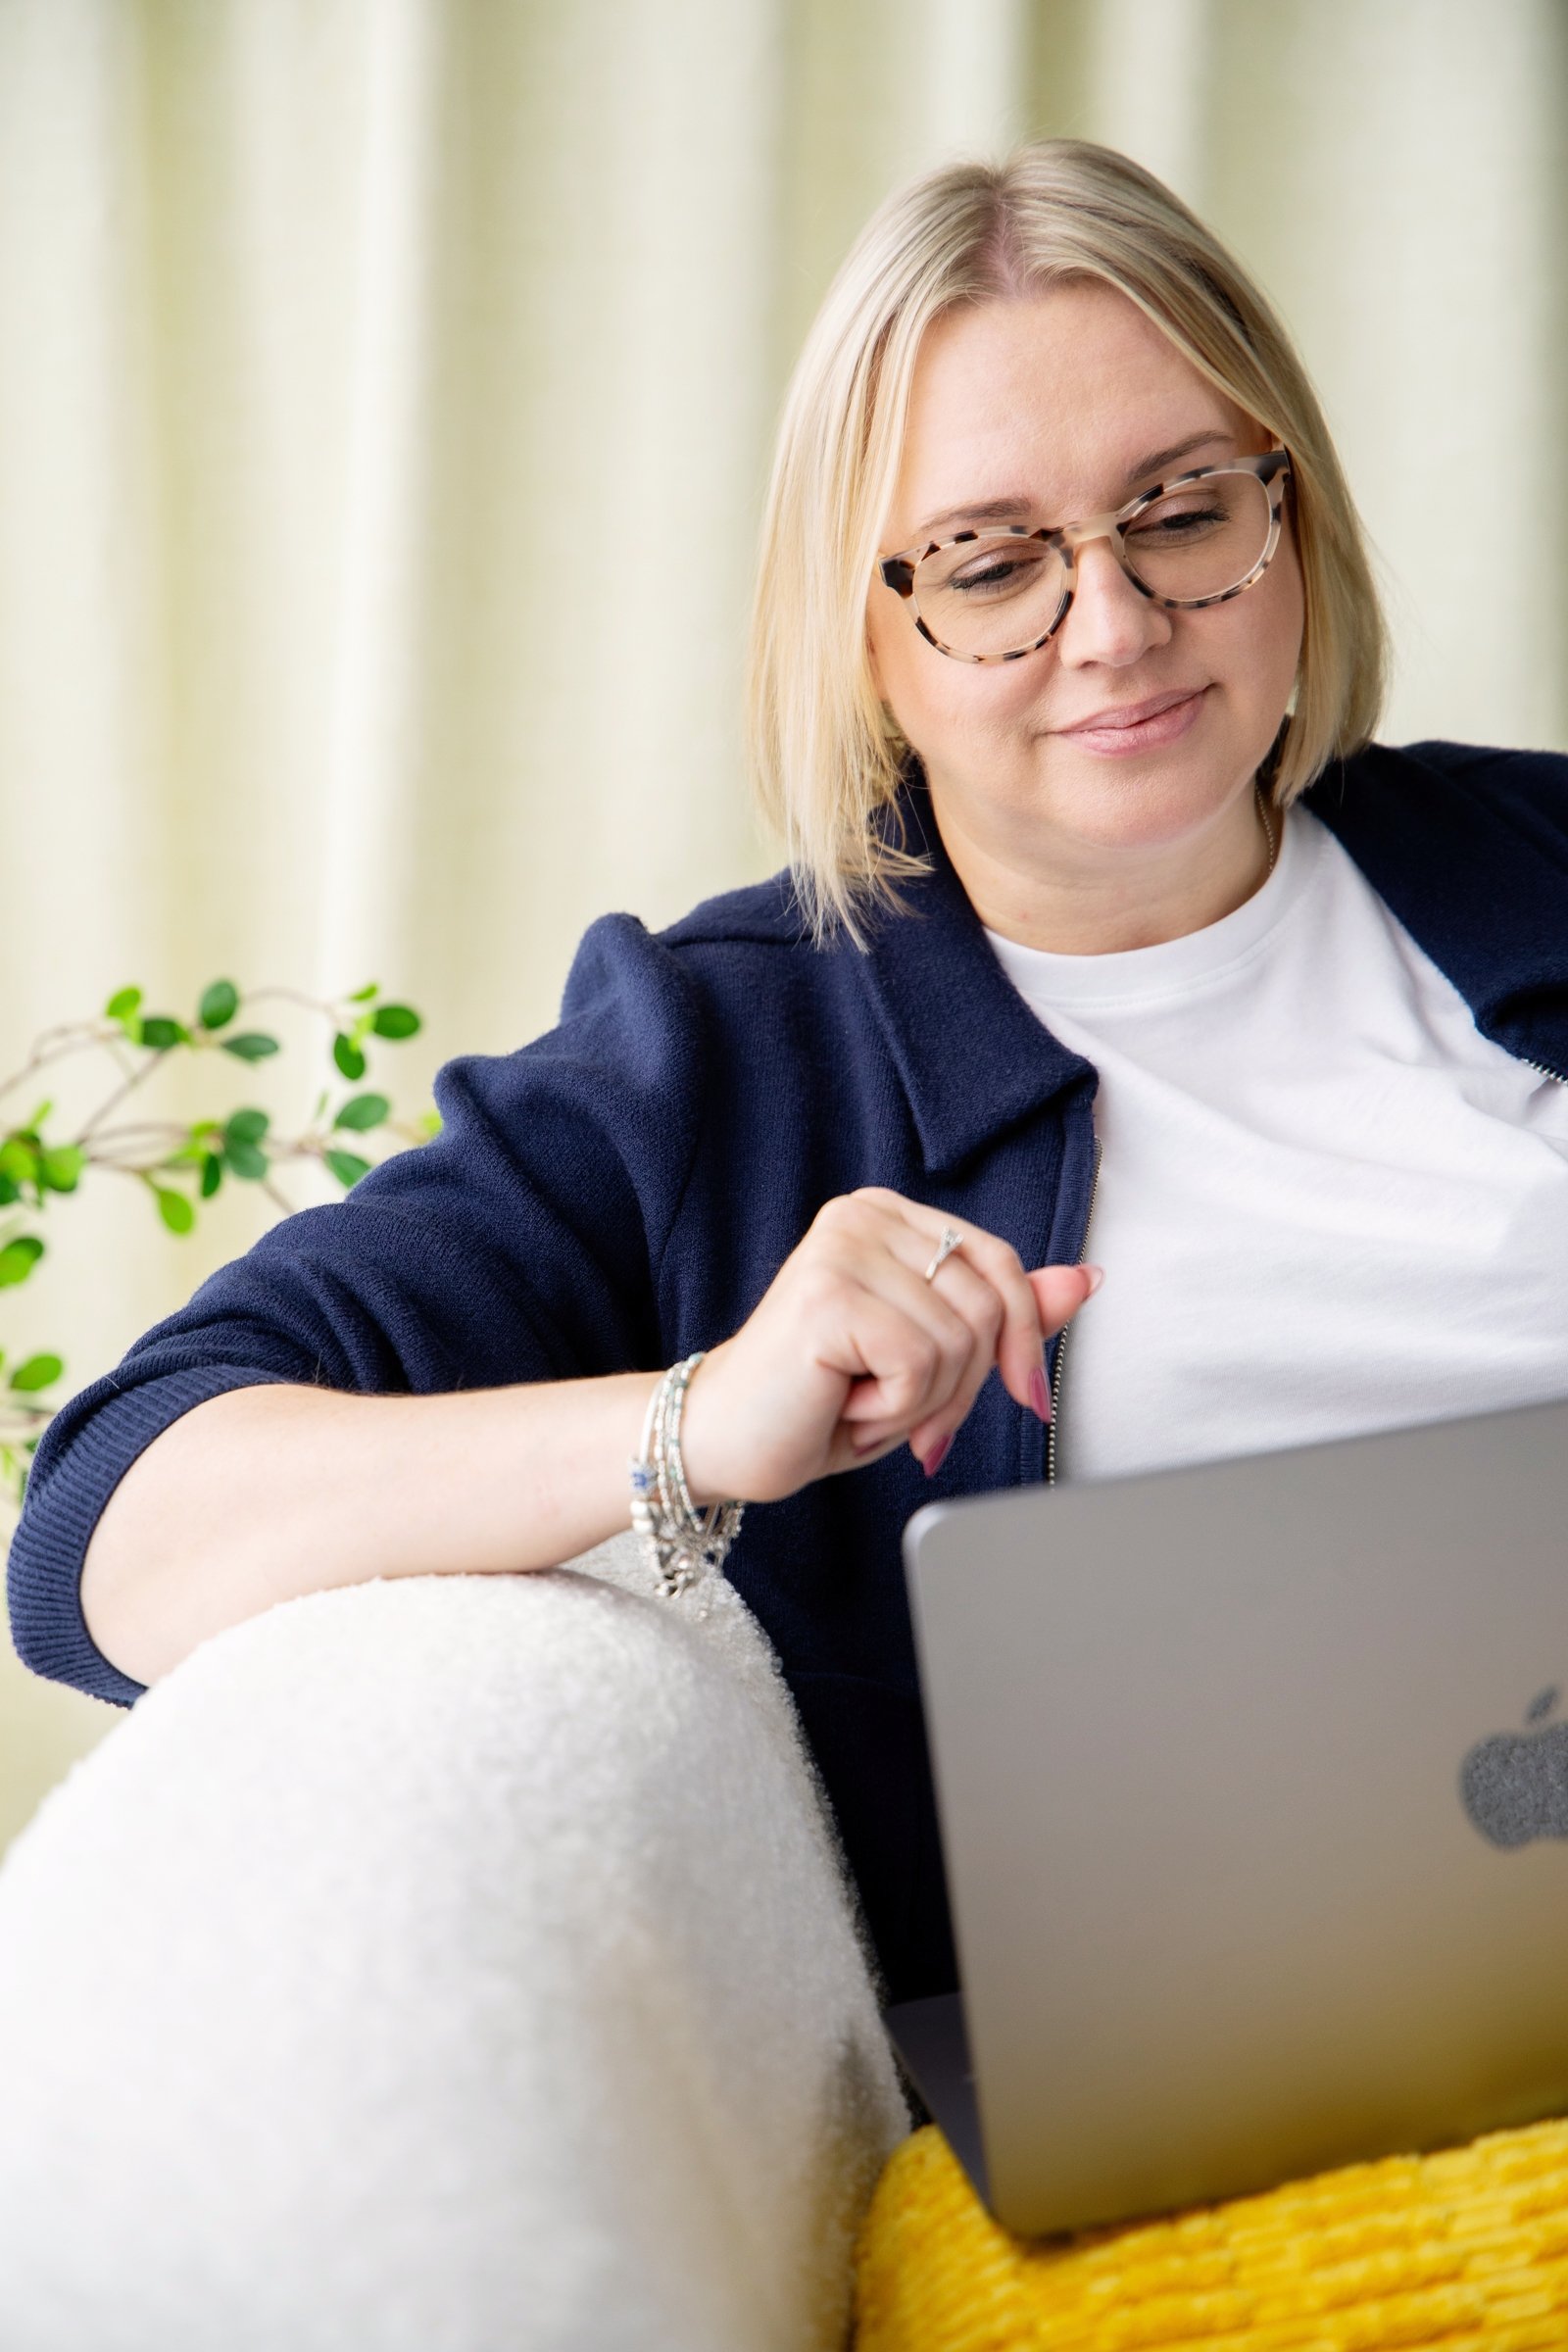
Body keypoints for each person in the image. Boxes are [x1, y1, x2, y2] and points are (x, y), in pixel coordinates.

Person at [5, 136, 1568, 2349]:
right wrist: (692, 1422)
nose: (1108, 623)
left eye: (1178, 511)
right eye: (985, 561)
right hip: (1274, 2170)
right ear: (862, 628)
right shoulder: (717, 1057)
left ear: (1286, 513)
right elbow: (104, 1529)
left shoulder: (1525, 859)